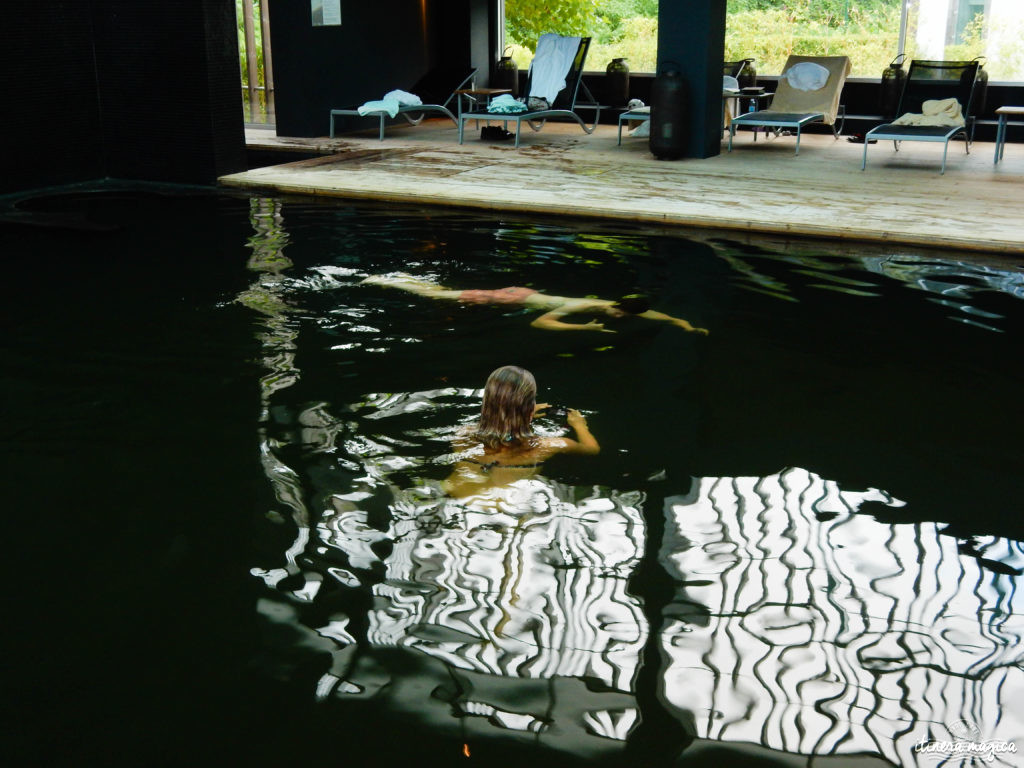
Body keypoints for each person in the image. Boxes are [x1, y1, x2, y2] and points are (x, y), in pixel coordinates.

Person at [362, 273, 708, 334]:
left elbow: (651, 313)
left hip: (522, 296)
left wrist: (682, 323)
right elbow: (540, 323)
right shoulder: (581, 309)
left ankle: (403, 277)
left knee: (444, 290)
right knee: (437, 296)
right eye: (620, 312)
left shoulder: (612, 303)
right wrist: (583, 331)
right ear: (618, 307)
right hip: (508, 299)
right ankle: (383, 281)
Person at [443, 365, 599, 498]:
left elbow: (501, 430)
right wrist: (580, 425)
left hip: (457, 494)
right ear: (530, 409)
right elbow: (592, 449)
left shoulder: (462, 434)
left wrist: (525, 415)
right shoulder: (548, 446)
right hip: (504, 504)